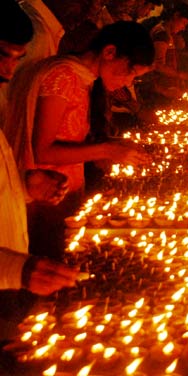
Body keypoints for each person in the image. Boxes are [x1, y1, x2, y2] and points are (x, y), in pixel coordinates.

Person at [3, 21, 154, 261]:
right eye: (131, 72)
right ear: (109, 52)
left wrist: (115, 146)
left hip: (61, 198)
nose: (127, 83)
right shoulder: (63, 76)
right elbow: (43, 151)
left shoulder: (82, 79)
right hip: (42, 198)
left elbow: (68, 136)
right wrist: (107, 150)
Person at [0, 0, 77, 296]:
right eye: (2, 56)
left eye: (17, 59)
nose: (8, 72)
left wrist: (25, 184)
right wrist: (14, 269)